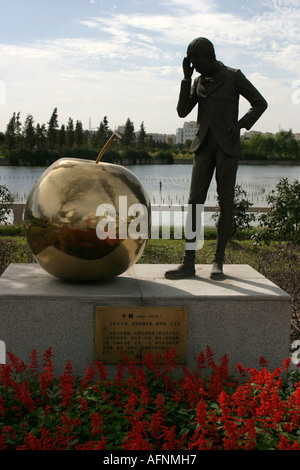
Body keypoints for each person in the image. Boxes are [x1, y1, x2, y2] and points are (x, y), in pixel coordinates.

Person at [165, 37, 267, 281]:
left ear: (210, 56)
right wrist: (187, 79)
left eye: (198, 62)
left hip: (227, 148)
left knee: (226, 203)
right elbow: (182, 112)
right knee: (193, 203)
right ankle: (188, 262)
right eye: (193, 63)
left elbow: (259, 103)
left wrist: (241, 125)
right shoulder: (198, 80)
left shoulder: (233, 76)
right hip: (203, 147)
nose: (196, 66)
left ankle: (218, 262)